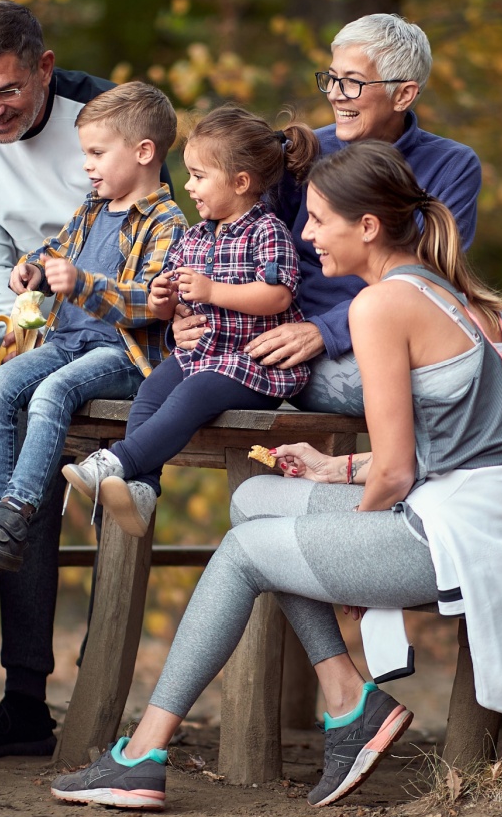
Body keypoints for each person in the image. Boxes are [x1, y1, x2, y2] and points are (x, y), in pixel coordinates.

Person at [50, 142, 502, 811]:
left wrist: (347, 562)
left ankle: (142, 752)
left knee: (250, 549)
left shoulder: (381, 307)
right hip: (472, 513)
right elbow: (452, 449)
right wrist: (337, 468)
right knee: (255, 499)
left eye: (317, 220)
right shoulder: (441, 290)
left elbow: (396, 472)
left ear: (366, 227)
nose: (306, 237)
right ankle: (347, 700)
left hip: (463, 540)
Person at [172, 13, 502, 576]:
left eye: (353, 82)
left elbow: (427, 281)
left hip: (410, 337)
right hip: (314, 354)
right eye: (330, 79)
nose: (336, 95)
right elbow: (232, 242)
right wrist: (190, 311)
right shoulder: (301, 155)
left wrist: (327, 327)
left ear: (405, 92)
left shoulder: (451, 165)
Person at [0, 0, 132, 758]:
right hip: (36, 319)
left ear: (44, 69)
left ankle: (102, 699)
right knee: (13, 441)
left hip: (121, 329)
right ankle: (23, 700)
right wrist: (24, 324)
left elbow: (151, 230)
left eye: (5, 92)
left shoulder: (106, 113)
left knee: (121, 486)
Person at [0, 82, 186, 574]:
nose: (88, 165)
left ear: (144, 152)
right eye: (86, 153)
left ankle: (16, 512)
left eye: (98, 153)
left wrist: (80, 284)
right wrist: (32, 269)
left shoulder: (167, 224)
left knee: (50, 394)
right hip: (68, 343)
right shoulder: (91, 208)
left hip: (122, 356)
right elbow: (54, 250)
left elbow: (151, 305)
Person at [60, 107, 319, 537]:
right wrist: (166, 299)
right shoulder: (195, 236)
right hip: (201, 353)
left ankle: (116, 462)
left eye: (199, 176)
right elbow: (175, 295)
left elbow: (279, 295)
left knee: (192, 393)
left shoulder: (267, 232)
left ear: (241, 182)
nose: (188, 186)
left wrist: (213, 292)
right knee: (152, 390)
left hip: (251, 363)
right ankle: (142, 488)